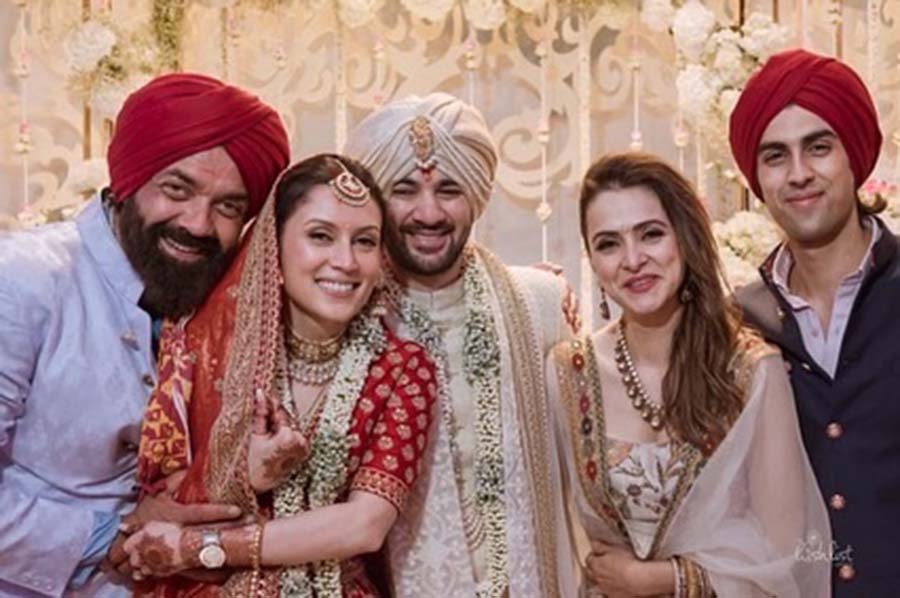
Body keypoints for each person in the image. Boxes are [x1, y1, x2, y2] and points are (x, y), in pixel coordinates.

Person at [0, 73, 289, 596]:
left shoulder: (226, 302)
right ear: (128, 180)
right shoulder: (23, 279)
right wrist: (117, 537)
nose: (198, 224)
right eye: (177, 190)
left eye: (228, 206)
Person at [123, 154, 438, 597]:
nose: (346, 261)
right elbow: (163, 501)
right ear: (272, 246)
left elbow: (364, 525)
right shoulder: (205, 346)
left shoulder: (402, 369)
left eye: (365, 242)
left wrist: (201, 547)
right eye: (320, 236)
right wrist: (245, 473)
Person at [548, 151, 831, 597]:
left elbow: (789, 555)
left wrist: (663, 579)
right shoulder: (568, 372)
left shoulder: (750, 370)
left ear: (685, 237)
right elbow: (554, 536)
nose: (632, 259)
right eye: (608, 244)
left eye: (651, 234)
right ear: (592, 260)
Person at [343, 93, 581, 597]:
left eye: (449, 189)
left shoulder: (541, 303)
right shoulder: (346, 318)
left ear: (476, 195)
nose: (429, 213)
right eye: (404, 190)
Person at [731, 48, 900, 596]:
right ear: (756, 177)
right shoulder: (740, 323)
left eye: (819, 147)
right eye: (775, 156)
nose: (799, 173)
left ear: (855, 155)